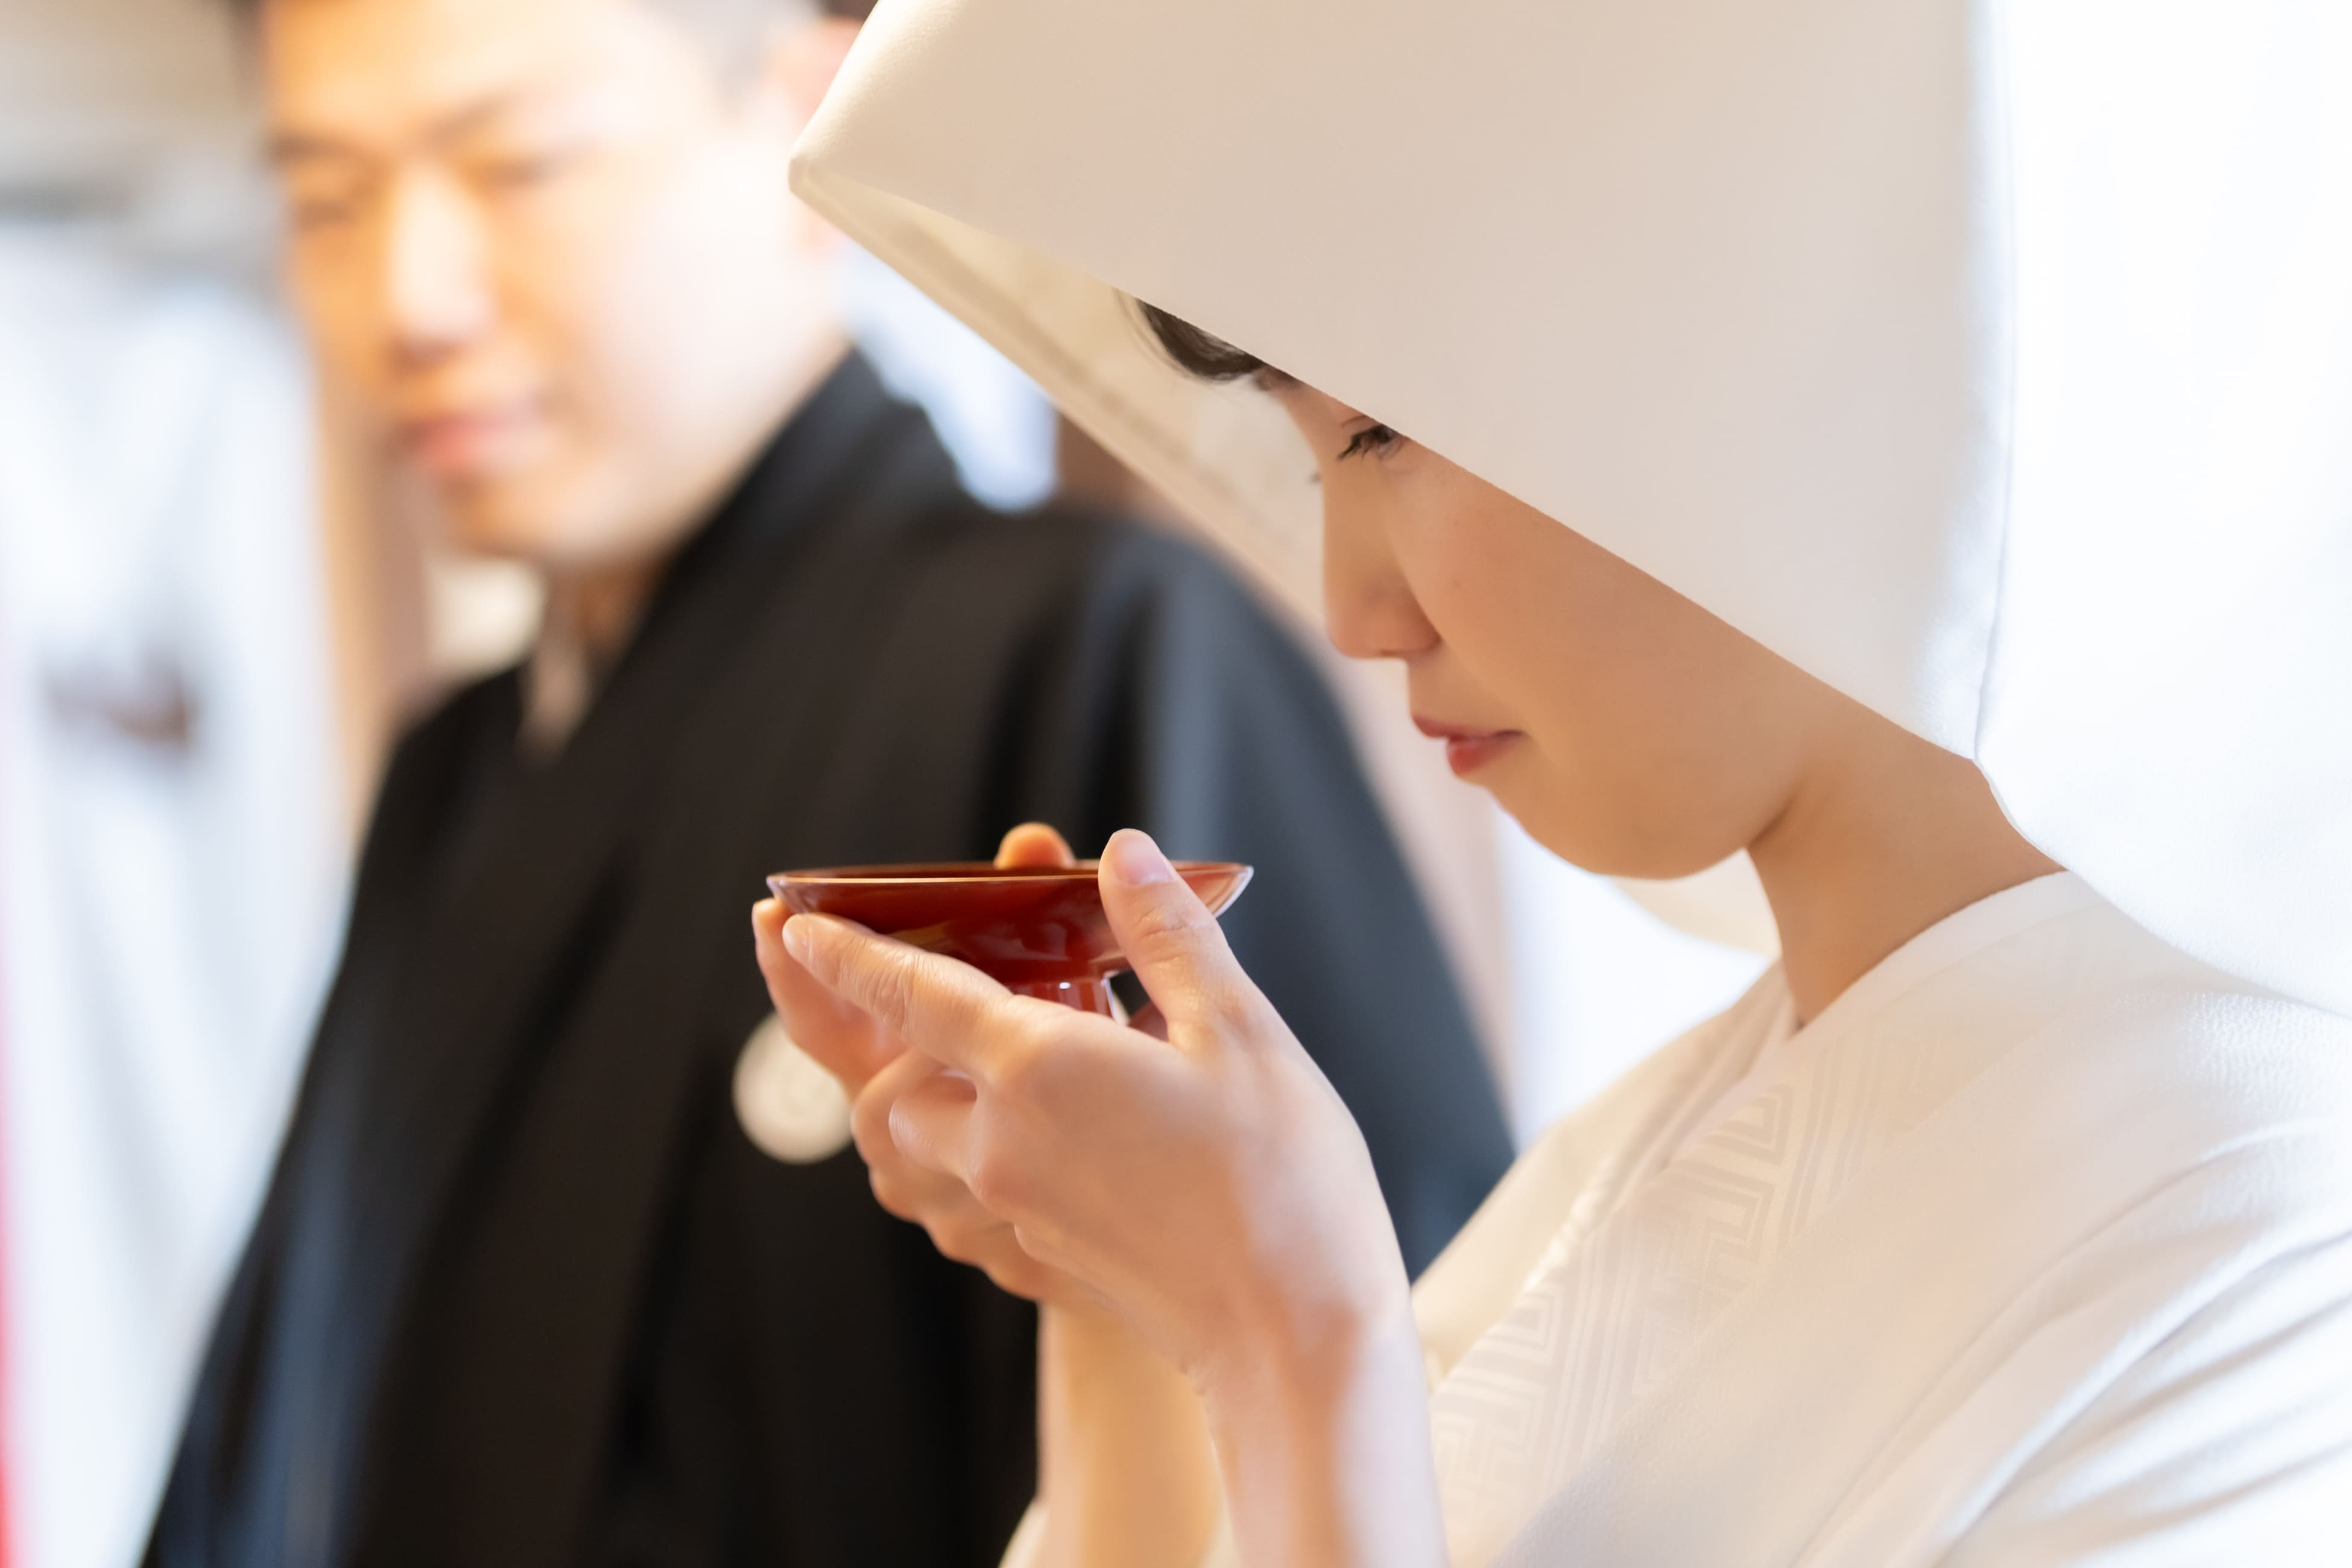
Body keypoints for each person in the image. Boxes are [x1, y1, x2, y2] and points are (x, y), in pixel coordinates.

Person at [756, 1, 2352, 1564]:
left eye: (1381, 432)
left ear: (1779, 379)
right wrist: (1121, 1303)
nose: (1353, 612)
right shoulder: (1647, 1146)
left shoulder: (2281, 1236)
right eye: (1312, 456)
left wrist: (1286, 1332)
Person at [146, 0, 1514, 1563]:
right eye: (324, 198)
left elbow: (1394, 1408)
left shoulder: (1092, 653)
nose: (409, 296)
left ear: (801, 111)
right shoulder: (452, 775)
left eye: (514, 164)